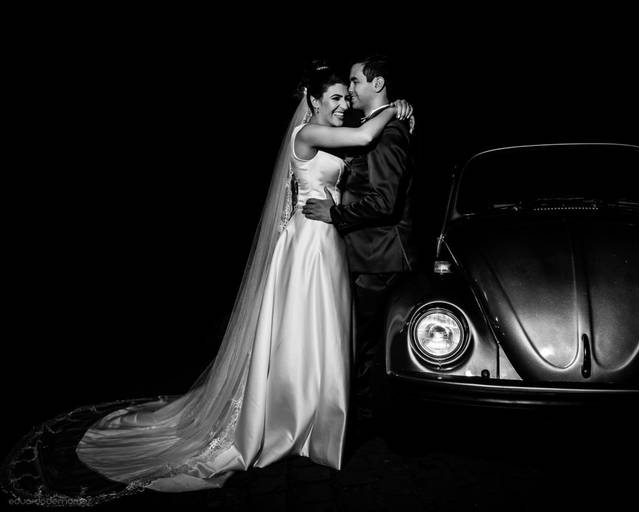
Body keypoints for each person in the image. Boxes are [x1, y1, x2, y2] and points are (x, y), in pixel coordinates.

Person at [0, 61, 412, 505]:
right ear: (312, 100)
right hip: (308, 244)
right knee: (298, 330)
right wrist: (396, 108)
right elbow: (363, 138)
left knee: (323, 331)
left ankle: (318, 417)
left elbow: (359, 162)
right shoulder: (307, 133)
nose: (343, 103)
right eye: (335, 97)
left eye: (346, 95)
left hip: (328, 241)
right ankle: (291, 419)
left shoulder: (329, 134)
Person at [303, 54, 418, 436]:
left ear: (378, 84)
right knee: (358, 342)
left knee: (366, 347)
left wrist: (336, 214)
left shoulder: (389, 132)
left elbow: (384, 202)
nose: (350, 90)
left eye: (355, 81)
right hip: (364, 254)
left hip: (378, 257)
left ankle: (363, 428)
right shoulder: (370, 126)